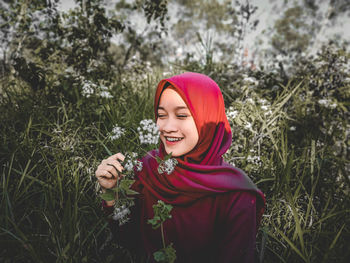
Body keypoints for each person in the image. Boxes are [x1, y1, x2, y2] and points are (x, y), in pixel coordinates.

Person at [95, 72, 265, 263]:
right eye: (161, 115)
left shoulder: (237, 195)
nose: (167, 127)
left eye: (182, 115)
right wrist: (111, 194)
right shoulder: (148, 167)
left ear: (206, 119)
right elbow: (129, 241)